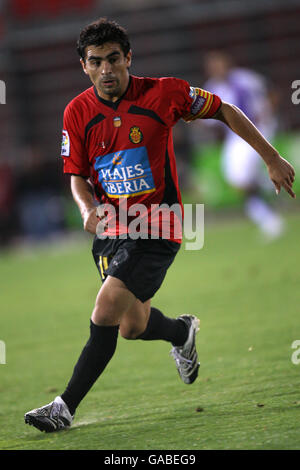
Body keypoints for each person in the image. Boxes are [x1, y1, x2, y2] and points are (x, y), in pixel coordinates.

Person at [24, 19, 295, 433]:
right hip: (112, 231)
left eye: (114, 58)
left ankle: (64, 406)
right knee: (132, 326)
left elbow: (223, 108)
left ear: (128, 57)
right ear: (84, 66)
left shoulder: (165, 93)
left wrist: (271, 157)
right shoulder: (76, 112)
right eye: (96, 62)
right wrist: (85, 208)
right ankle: (181, 332)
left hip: (157, 225)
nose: (107, 69)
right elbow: (76, 174)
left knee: (104, 308)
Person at [202, 51, 285, 239]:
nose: (216, 68)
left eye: (219, 63)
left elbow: (271, 93)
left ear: (227, 63)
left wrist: (267, 117)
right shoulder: (212, 88)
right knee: (237, 179)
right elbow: (208, 119)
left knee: (240, 177)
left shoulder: (245, 79)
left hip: (257, 130)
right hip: (235, 137)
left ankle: (269, 218)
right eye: (212, 65)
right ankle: (267, 189)